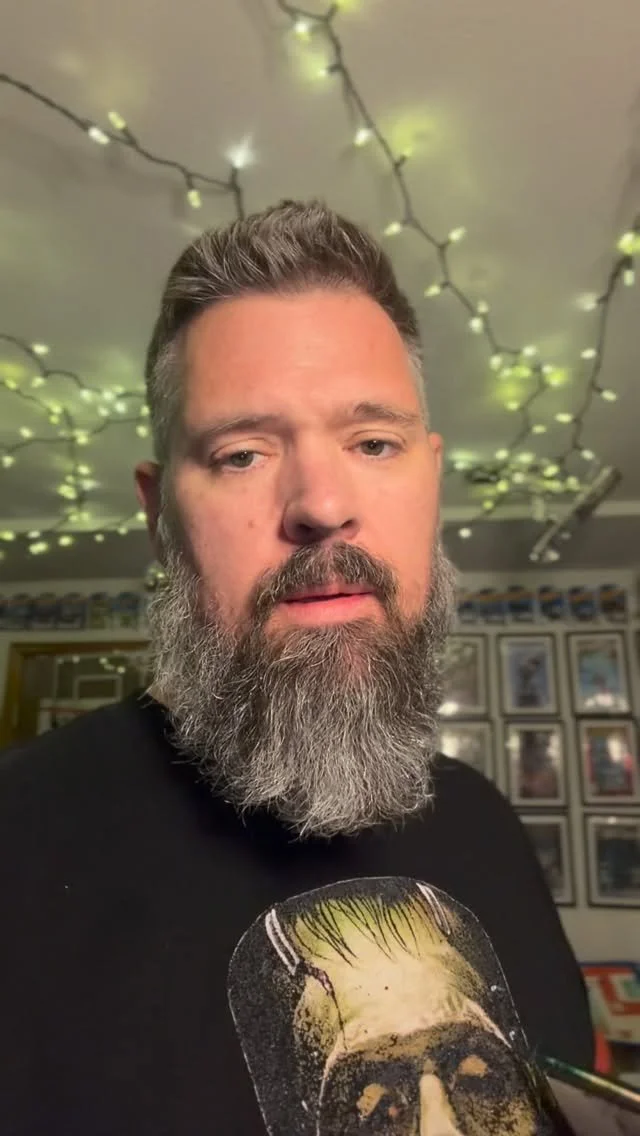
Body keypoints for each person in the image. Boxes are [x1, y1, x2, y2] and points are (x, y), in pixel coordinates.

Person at [0, 200, 593, 1135]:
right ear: (159, 516)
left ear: (432, 480)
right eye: (242, 454)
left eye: (374, 443)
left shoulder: (487, 823)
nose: (320, 504)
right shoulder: (18, 845)